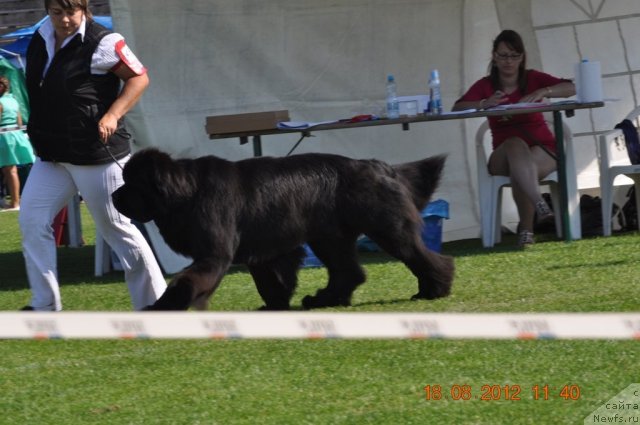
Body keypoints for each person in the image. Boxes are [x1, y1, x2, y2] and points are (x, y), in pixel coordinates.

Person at [19, 0, 166, 311]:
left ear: (83, 8)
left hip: (95, 153)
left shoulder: (104, 41)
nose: (64, 20)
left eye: (71, 12)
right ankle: (44, 306)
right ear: (48, 10)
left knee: (117, 229)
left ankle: (157, 306)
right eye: (57, 12)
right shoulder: (40, 37)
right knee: (32, 221)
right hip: (52, 155)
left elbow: (139, 78)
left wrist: (113, 114)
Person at [452, 29, 576, 247]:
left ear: (522, 57)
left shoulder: (533, 78)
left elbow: (571, 87)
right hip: (503, 152)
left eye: (513, 55)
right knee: (515, 144)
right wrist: (484, 104)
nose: (508, 61)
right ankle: (539, 203)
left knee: (522, 168)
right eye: (502, 55)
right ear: (494, 56)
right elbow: (457, 107)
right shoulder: (485, 85)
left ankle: (526, 231)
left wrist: (544, 91)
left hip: (542, 147)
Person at [0, 76, 35, 211]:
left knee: (10, 170)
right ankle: (14, 201)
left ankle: (15, 203)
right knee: (9, 170)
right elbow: (19, 121)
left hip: (5, 137)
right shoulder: (13, 99)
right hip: (16, 135)